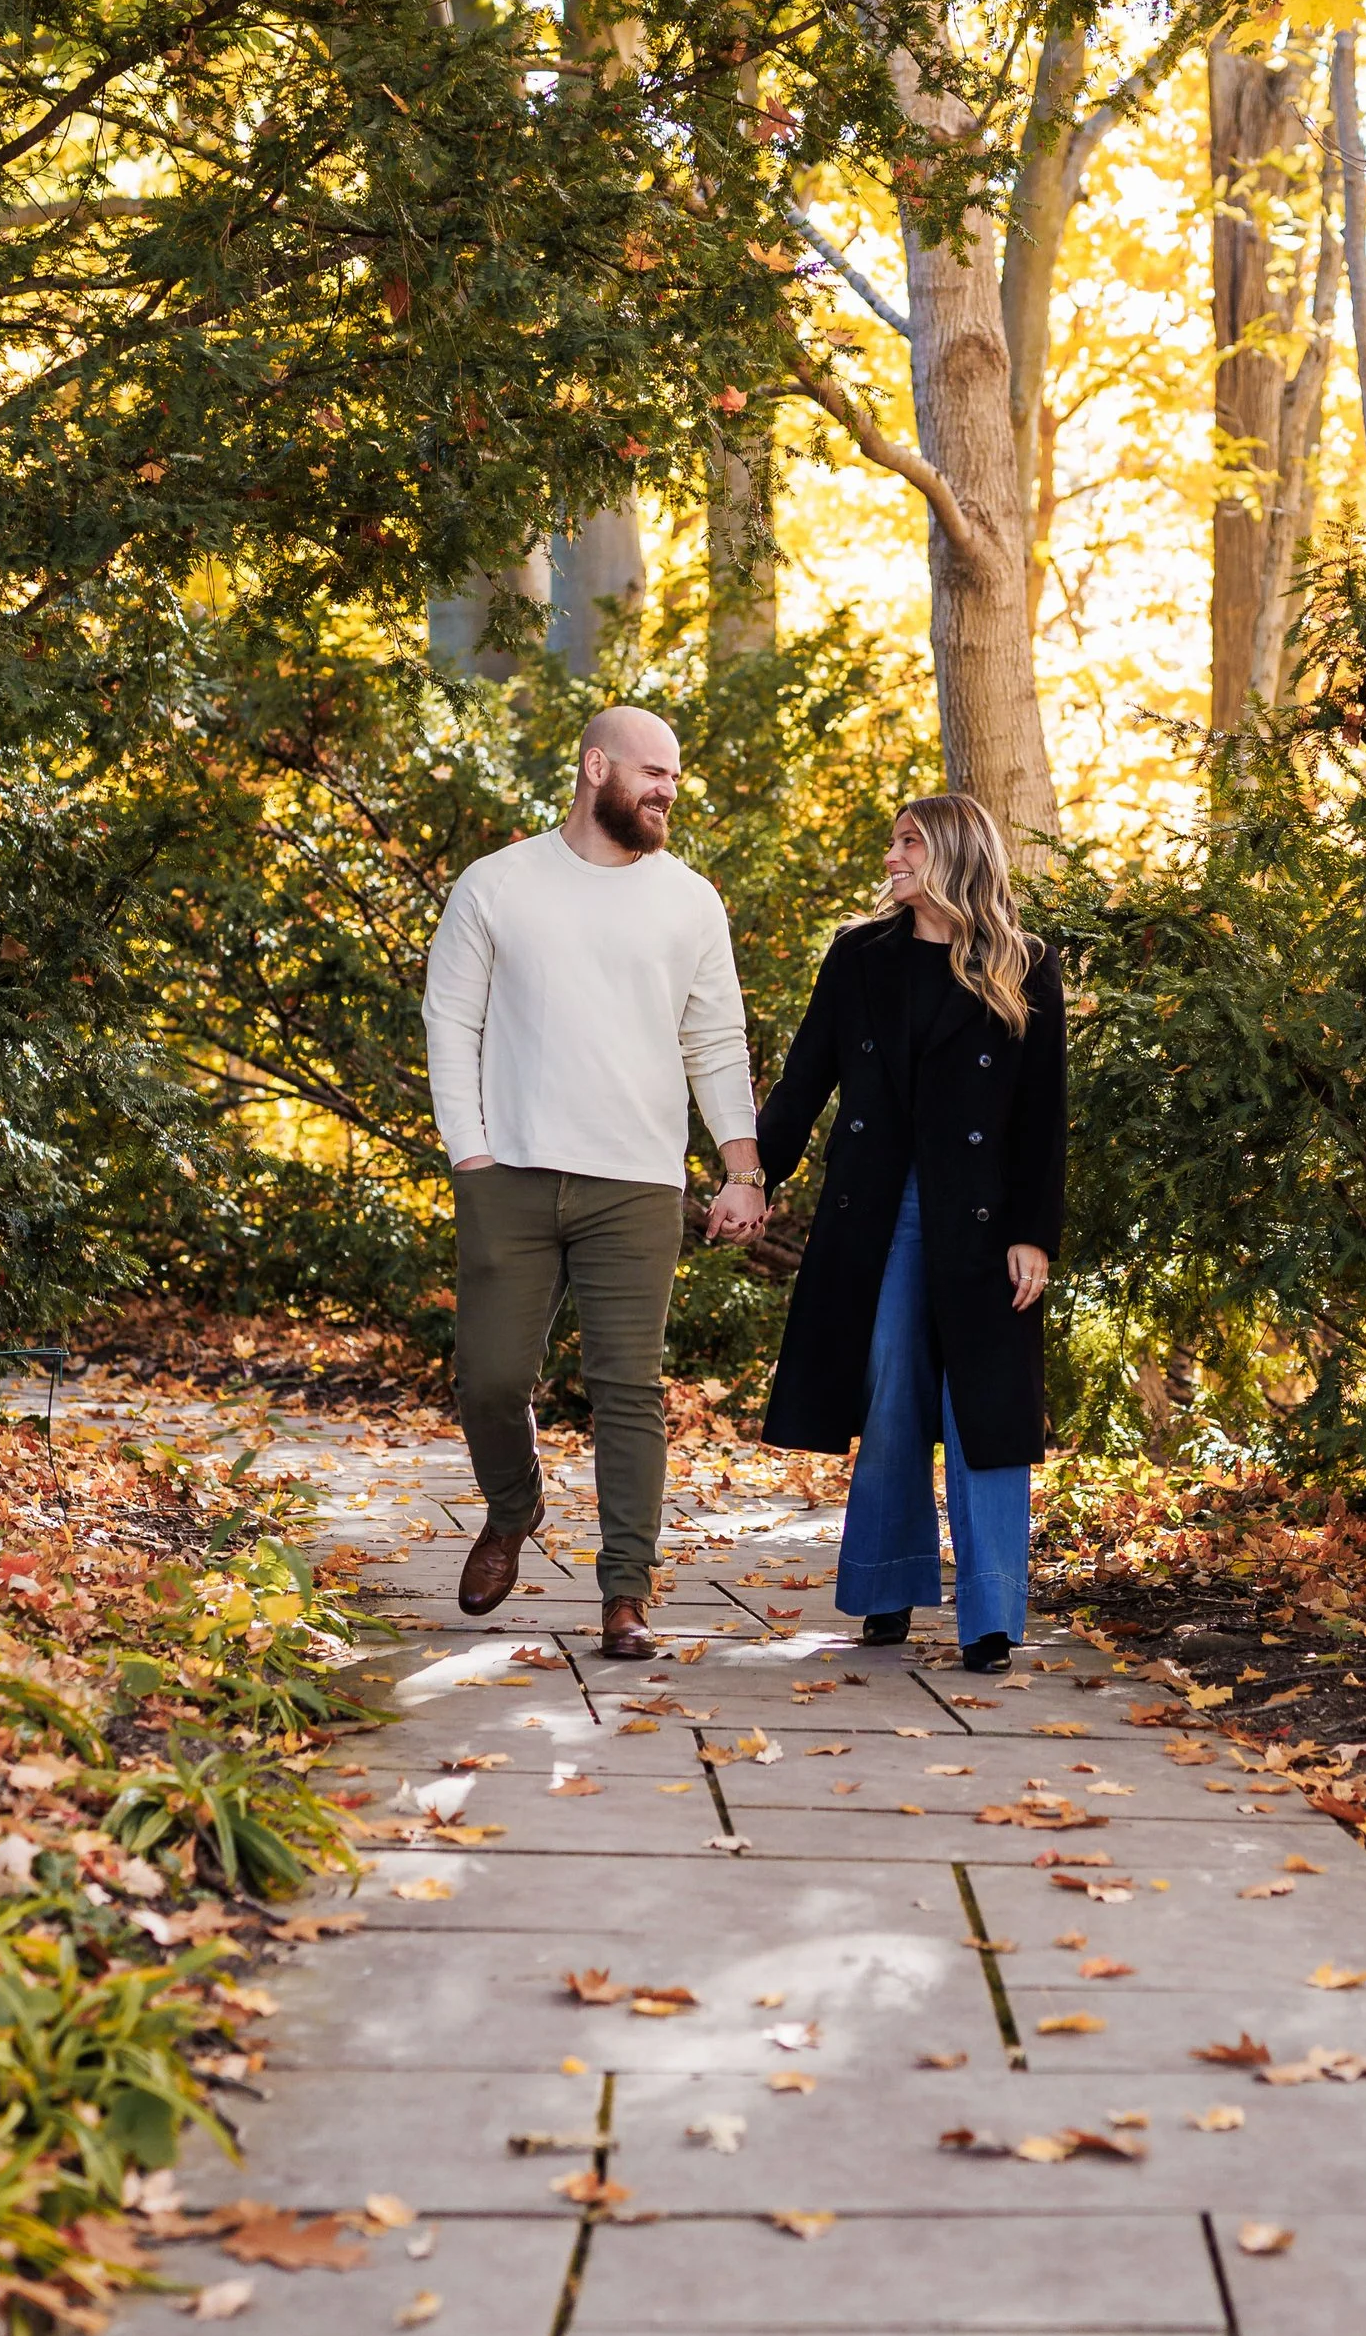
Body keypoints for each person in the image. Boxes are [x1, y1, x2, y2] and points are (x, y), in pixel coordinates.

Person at [422, 705, 767, 1661]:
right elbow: (451, 1024)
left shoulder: (689, 900)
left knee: (628, 1390)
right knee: (490, 1380)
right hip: (513, 1177)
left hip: (638, 1185)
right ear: (594, 766)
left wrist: (741, 1164)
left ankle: (626, 1593)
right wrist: (472, 1153)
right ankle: (515, 1507)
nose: (666, 790)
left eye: (674, 778)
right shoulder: (497, 884)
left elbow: (714, 1041)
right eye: (653, 772)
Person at [753, 792, 1065, 1670]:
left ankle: (993, 1615)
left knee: (986, 1412)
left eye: (908, 844)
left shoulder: (1025, 965)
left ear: (955, 857)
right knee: (890, 1392)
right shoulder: (859, 957)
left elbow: (1044, 1116)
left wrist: (1034, 1232)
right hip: (879, 1211)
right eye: (893, 843)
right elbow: (803, 1079)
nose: (890, 858)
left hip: (986, 1220)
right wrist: (753, 1177)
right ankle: (887, 1589)